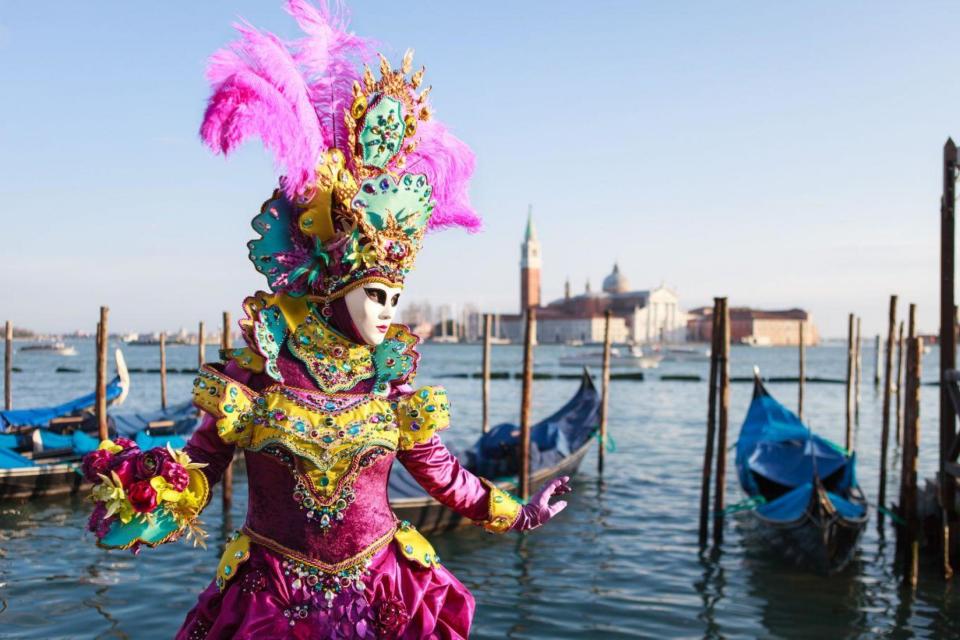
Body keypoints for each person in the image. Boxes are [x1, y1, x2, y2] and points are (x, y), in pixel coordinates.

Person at [81, 2, 571, 638]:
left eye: (396, 298)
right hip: (269, 601)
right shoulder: (263, 360)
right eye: (376, 294)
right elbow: (202, 465)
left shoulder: (390, 379)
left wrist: (520, 513)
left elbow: (444, 475)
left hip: (382, 594)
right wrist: (147, 492)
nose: (387, 312)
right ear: (338, 287)